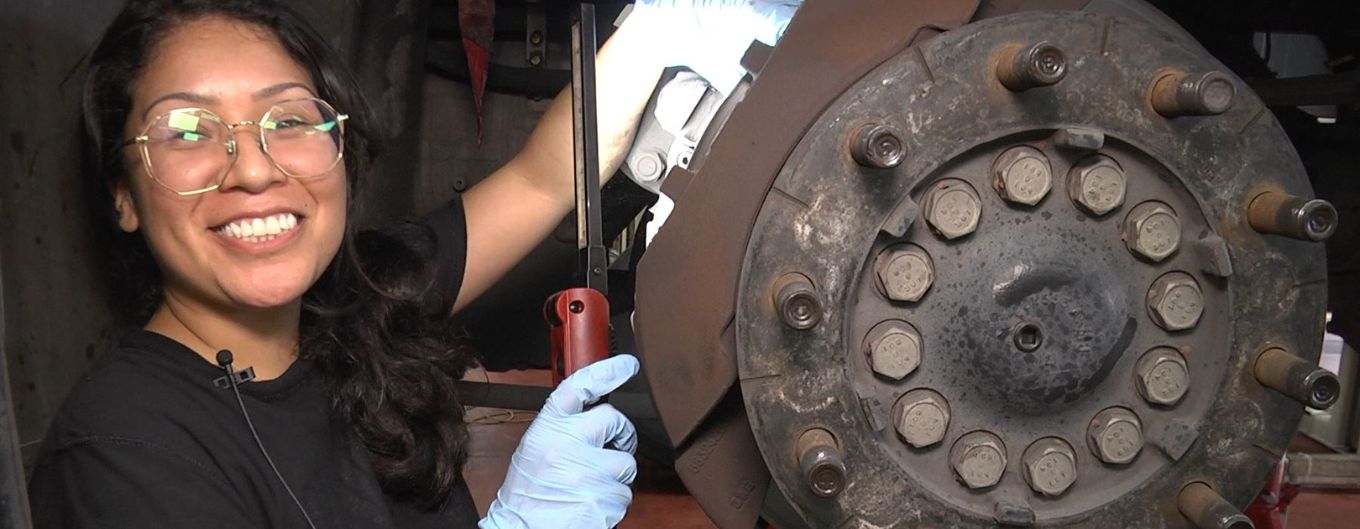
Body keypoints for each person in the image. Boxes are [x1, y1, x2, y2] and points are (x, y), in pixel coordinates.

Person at [24, 0, 796, 527]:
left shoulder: (355, 307)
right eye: (189, 130)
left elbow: (543, 176)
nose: (253, 168)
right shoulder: (120, 456)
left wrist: (678, 23)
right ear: (123, 194)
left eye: (289, 119)